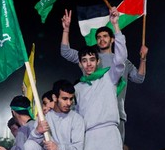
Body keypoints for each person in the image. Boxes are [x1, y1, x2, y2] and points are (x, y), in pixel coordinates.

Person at [60, 8, 148, 142]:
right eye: (99, 37)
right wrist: (66, 30)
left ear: (112, 39)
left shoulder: (122, 61)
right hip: (90, 115)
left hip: (116, 114)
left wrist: (143, 59)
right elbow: (65, 52)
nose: (102, 39)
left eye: (105, 36)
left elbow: (139, 78)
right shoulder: (90, 59)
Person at [71, 7, 128, 150]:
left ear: (97, 62)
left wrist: (115, 26)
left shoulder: (109, 77)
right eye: (84, 60)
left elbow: (120, 59)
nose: (88, 63)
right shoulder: (77, 88)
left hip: (108, 133)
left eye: (92, 59)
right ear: (80, 64)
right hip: (88, 136)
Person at [24, 79, 85, 150]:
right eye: (64, 98)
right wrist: (37, 131)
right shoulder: (43, 117)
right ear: (55, 97)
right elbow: (30, 148)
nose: (69, 103)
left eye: (71, 99)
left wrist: (58, 148)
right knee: (30, 145)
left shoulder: (77, 119)